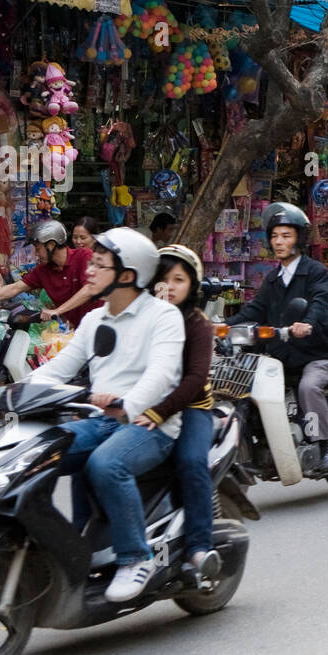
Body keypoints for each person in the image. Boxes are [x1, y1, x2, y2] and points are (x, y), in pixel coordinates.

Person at [0, 228, 185, 602]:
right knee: (37, 454)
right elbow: (56, 370)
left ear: (127, 274)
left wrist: (125, 402)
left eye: (100, 265)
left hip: (151, 423)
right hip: (102, 419)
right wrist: (6, 392)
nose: (89, 271)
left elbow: (162, 375)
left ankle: (136, 556)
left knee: (106, 465)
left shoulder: (164, 317)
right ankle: (65, 547)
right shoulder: (94, 321)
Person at [230, 203, 328, 472]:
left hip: (315, 355)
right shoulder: (272, 279)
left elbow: (320, 303)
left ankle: (324, 446)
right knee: (247, 389)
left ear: (299, 239)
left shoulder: (315, 271)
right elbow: (254, 310)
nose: (279, 242)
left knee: (308, 388)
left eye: (286, 236)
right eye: (275, 236)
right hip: (280, 357)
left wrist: (307, 323)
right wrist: (222, 327)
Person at [135, 245, 224, 580]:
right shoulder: (140, 319)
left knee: (190, 462)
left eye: (178, 280)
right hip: (143, 408)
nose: (169, 287)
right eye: (163, 279)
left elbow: (194, 380)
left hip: (191, 410)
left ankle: (201, 547)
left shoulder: (198, 325)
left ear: (192, 286)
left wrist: (159, 412)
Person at [0, 220, 101, 328]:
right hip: (79, 330)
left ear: (51, 245)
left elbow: (89, 289)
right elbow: (15, 288)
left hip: (101, 325)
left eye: (38, 248)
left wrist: (57, 311)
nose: (36, 254)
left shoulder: (83, 256)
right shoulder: (43, 270)